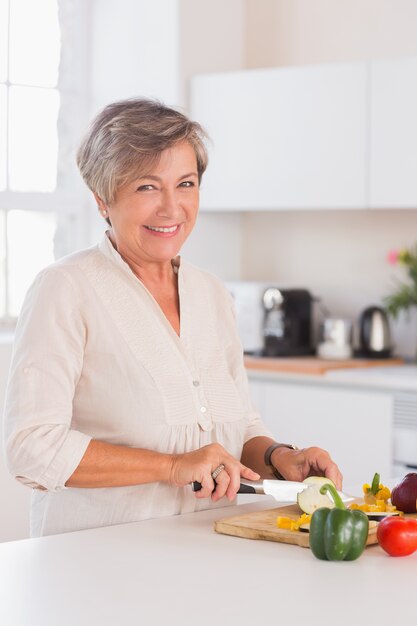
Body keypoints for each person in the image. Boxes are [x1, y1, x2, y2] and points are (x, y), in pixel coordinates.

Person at [3, 98, 342, 537]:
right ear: (102, 199)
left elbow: (241, 426)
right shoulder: (65, 289)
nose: (171, 208)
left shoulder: (212, 295)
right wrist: (172, 466)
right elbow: (32, 448)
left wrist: (280, 456)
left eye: (185, 183)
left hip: (206, 554)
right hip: (91, 565)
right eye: (146, 187)